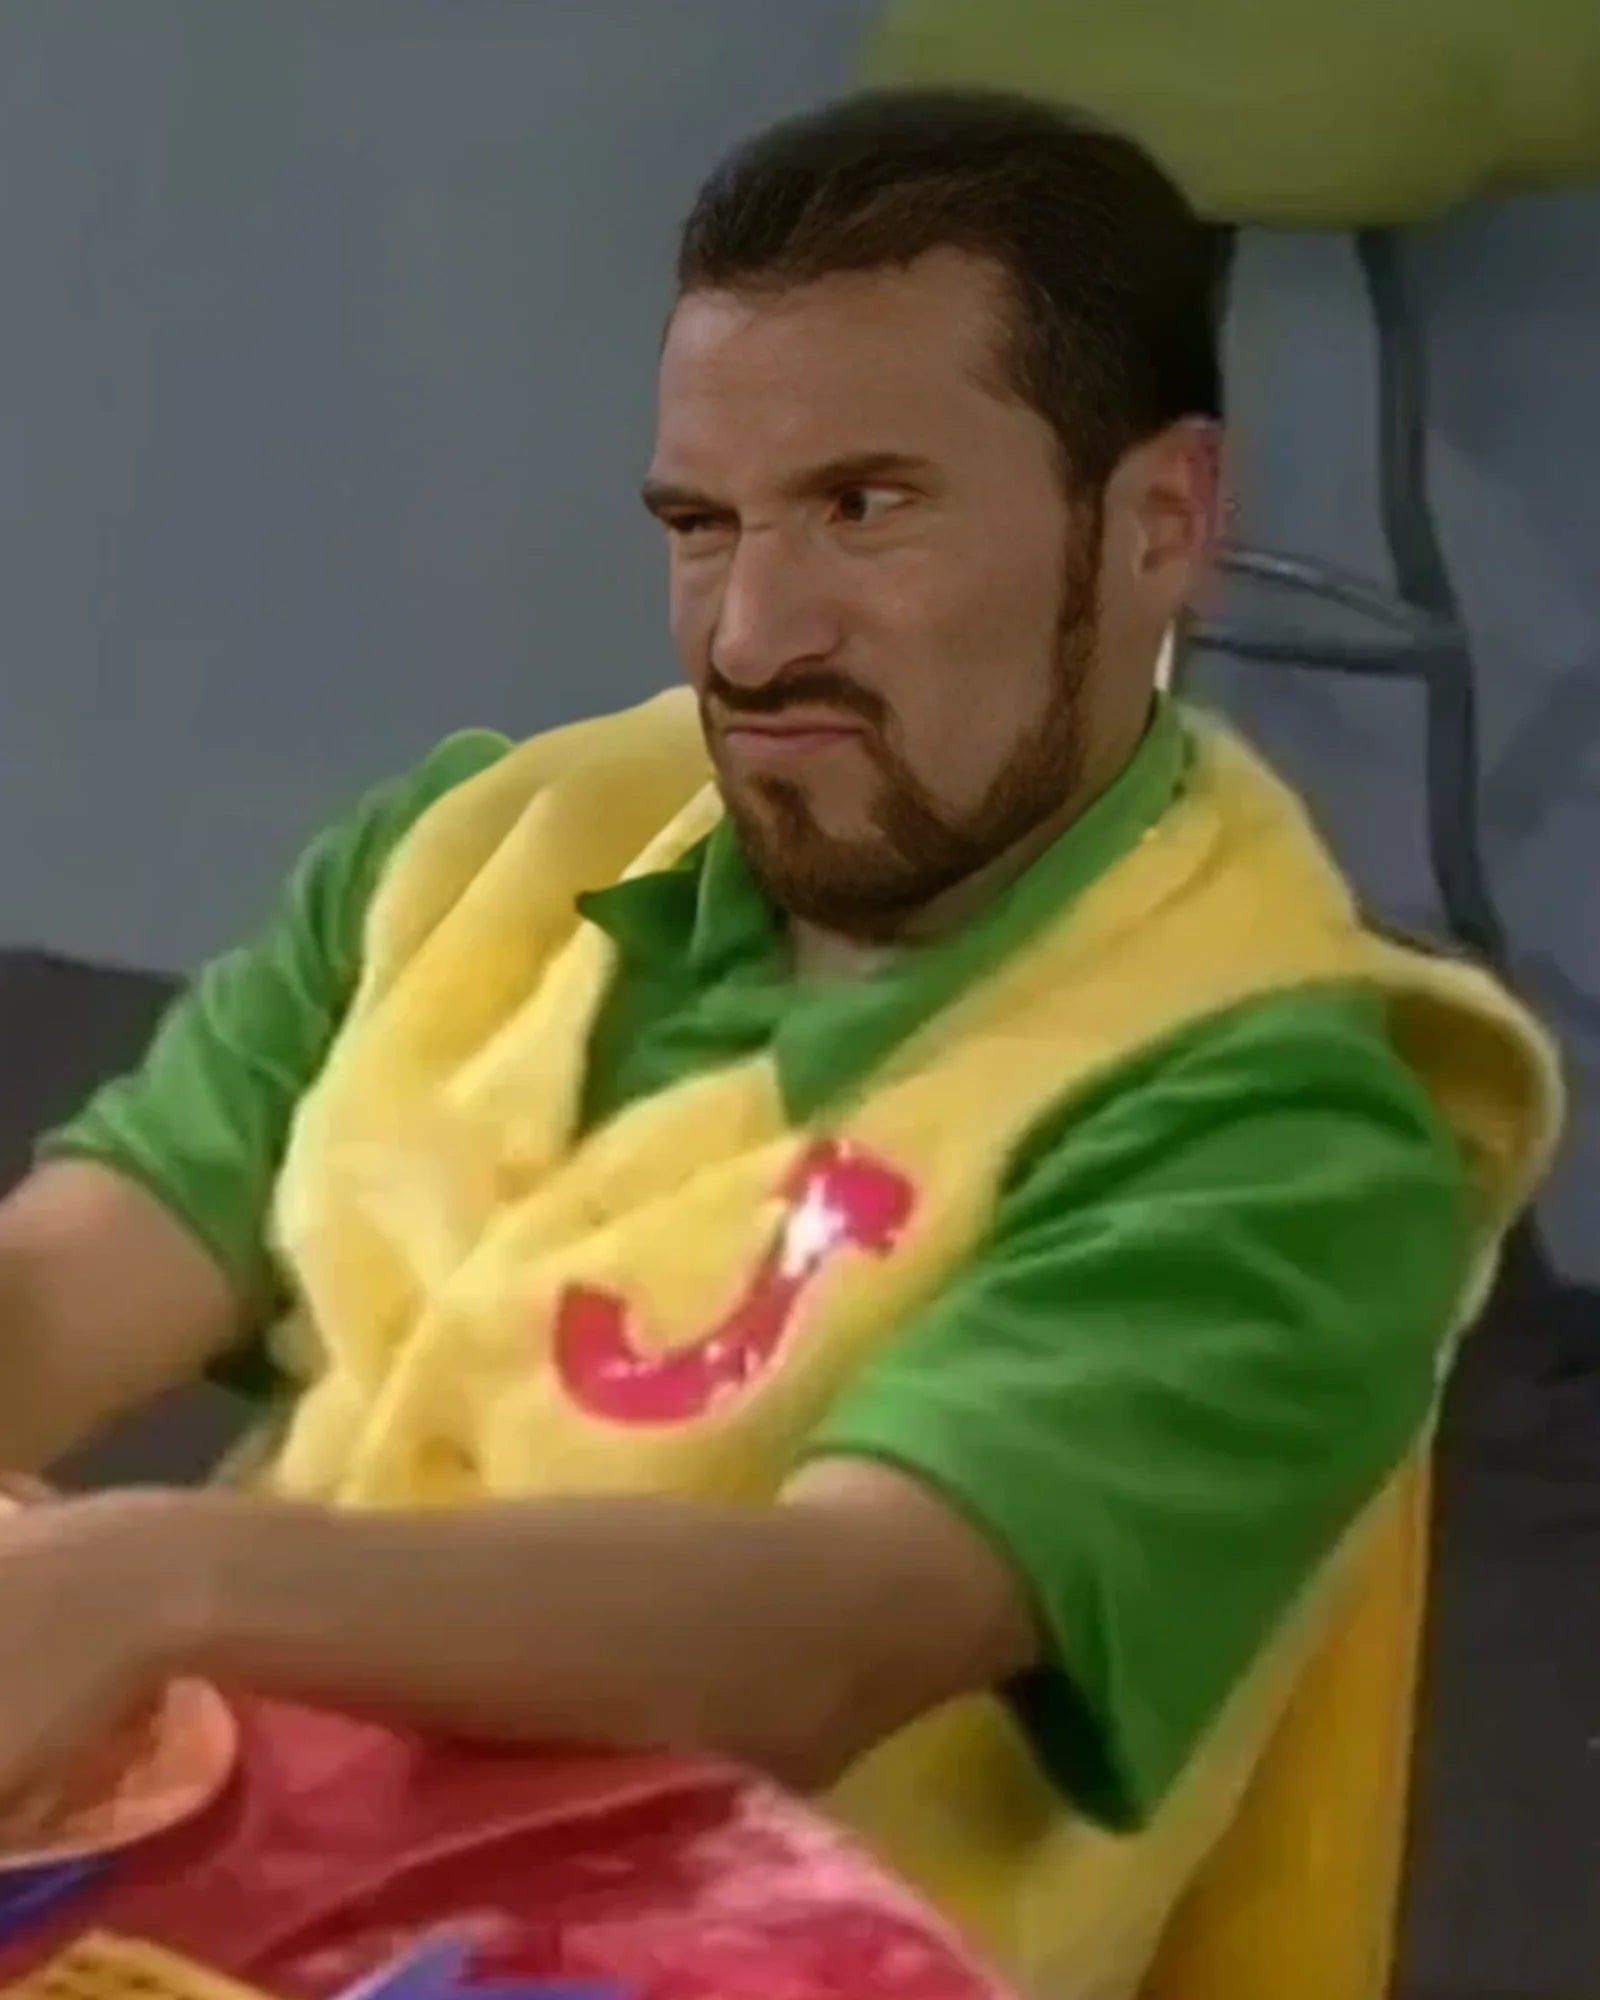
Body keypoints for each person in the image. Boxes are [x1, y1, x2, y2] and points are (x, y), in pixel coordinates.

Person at [0, 88, 1562, 1996]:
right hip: (233, 1913)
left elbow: (825, 1635)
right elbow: (79, 1278)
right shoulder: (482, 850)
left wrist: (166, 1582)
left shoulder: (1287, 1116)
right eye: (703, 525)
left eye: (864, 509)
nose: (749, 636)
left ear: (1162, 520)